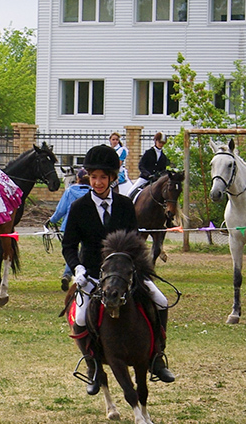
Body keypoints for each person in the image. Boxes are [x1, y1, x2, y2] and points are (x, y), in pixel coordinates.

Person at [61, 144, 174, 387]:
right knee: (80, 317)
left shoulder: (124, 205)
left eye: (103, 177)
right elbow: (69, 245)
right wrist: (77, 268)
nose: (98, 182)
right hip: (92, 274)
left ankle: (157, 357)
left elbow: (134, 240)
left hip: (124, 275)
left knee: (161, 301)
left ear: (112, 178)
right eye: (93, 177)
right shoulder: (78, 208)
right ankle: (92, 365)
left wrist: (136, 269)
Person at [48, 168, 91, 291]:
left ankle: (68, 274)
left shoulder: (69, 191)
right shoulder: (93, 192)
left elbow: (61, 210)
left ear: (77, 178)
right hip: (88, 226)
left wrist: (52, 220)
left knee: (72, 251)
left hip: (70, 226)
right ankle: (79, 275)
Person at [127, 132, 170, 199]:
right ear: (155, 141)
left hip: (156, 181)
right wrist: (147, 174)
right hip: (144, 179)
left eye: (163, 143)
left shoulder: (163, 157)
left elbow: (162, 169)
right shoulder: (148, 153)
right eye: (160, 142)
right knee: (130, 193)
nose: (161, 144)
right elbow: (141, 165)